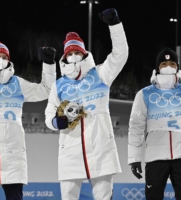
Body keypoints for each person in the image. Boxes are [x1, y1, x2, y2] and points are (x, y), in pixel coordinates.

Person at [45, 8, 128, 200]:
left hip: (101, 149)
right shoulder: (59, 85)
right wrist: (57, 123)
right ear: (65, 56)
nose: (74, 55)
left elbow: (120, 54)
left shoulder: (100, 74)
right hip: (70, 152)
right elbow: (49, 115)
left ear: (83, 54)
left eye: (77, 52)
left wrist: (115, 25)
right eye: (70, 52)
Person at [0, 40, 56, 200]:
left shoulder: (17, 83)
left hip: (13, 155)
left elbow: (46, 90)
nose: (1, 60)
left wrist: (49, 64)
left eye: (4, 56)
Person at [128, 48, 181, 200]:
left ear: (177, 66)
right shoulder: (145, 94)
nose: (168, 66)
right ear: (158, 67)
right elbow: (136, 127)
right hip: (155, 157)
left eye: (172, 63)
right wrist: (134, 158)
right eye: (164, 64)